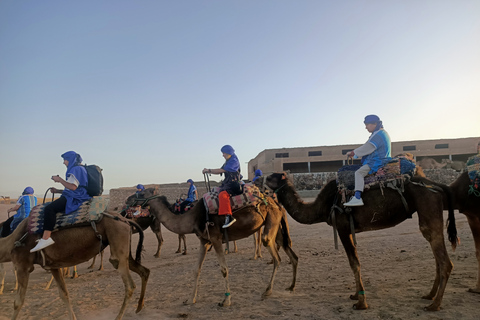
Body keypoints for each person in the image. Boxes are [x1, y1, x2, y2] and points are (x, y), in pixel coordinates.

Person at [30, 151, 91, 252]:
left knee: (49, 209)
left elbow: (73, 187)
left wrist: (59, 180)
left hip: (75, 197)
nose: (64, 162)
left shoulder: (75, 169)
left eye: (65, 160)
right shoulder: (80, 169)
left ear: (70, 159)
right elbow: (74, 187)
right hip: (75, 195)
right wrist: (57, 191)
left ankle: (46, 238)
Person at [344, 115, 392, 206]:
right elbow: (366, 147)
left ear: (374, 123)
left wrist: (353, 153)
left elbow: (368, 147)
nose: (365, 127)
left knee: (358, 173)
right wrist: (355, 154)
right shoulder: (379, 133)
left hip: (377, 162)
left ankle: (357, 197)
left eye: (367, 124)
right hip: (380, 160)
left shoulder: (378, 135)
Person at [202, 145, 242, 228]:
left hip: (233, 185)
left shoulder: (233, 161)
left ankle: (229, 216)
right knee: (215, 191)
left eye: (224, 153)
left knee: (222, 195)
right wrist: (208, 171)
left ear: (229, 153)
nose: (223, 155)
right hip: (227, 184)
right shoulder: (229, 161)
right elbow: (220, 169)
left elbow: (222, 170)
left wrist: (208, 170)